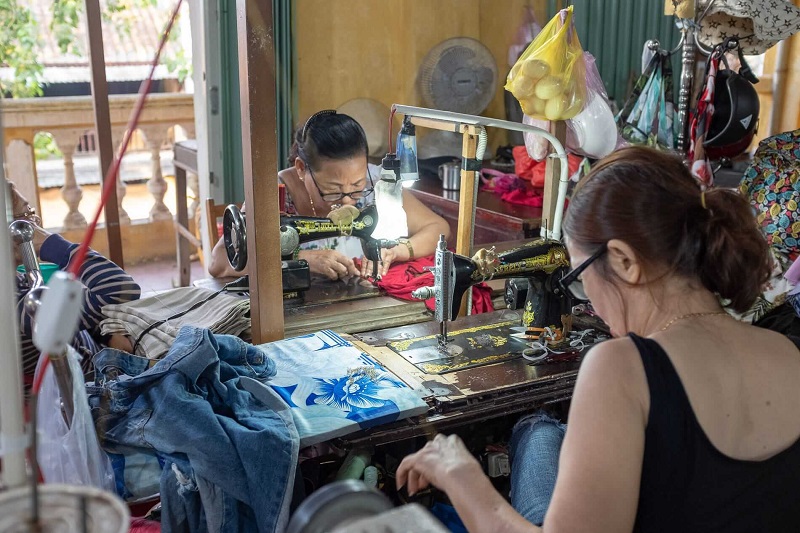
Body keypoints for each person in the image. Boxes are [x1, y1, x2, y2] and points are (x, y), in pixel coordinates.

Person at [396, 147, 800, 532]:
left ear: (624, 260)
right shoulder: (788, 352)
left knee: (536, 435)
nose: (584, 296)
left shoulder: (622, 369)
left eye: (578, 277)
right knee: (542, 434)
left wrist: (460, 474)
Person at [208, 110, 451, 280]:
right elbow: (219, 262)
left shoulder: (377, 182)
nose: (348, 200)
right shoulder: (276, 194)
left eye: (357, 185)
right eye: (333, 190)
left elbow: (437, 227)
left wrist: (399, 250)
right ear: (302, 169)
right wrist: (302, 260)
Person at [10, 183, 141, 391]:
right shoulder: (15, 301)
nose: (37, 223)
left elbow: (72, 313)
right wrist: (50, 244)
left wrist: (104, 335)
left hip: (104, 358)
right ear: (15, 232)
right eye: (28, 215)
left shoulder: (20, 280)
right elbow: (122, 289)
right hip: (98, 390)